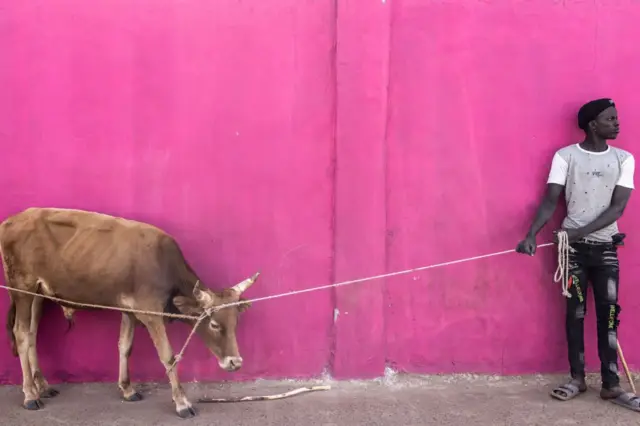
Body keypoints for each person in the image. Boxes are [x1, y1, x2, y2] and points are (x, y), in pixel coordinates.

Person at [516, 98, 639, 411]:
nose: (617, 123)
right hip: (570, 252)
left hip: (605, 248)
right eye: (610, 119)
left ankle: (611, 385)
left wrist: (575, 233)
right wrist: (531, 235)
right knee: (575, 314)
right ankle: (577, 378)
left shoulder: (625, 159)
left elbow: (617, 208)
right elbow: (550, 200)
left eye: (616, 118)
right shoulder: (565, 156)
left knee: (609, 316)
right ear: (592, 125)